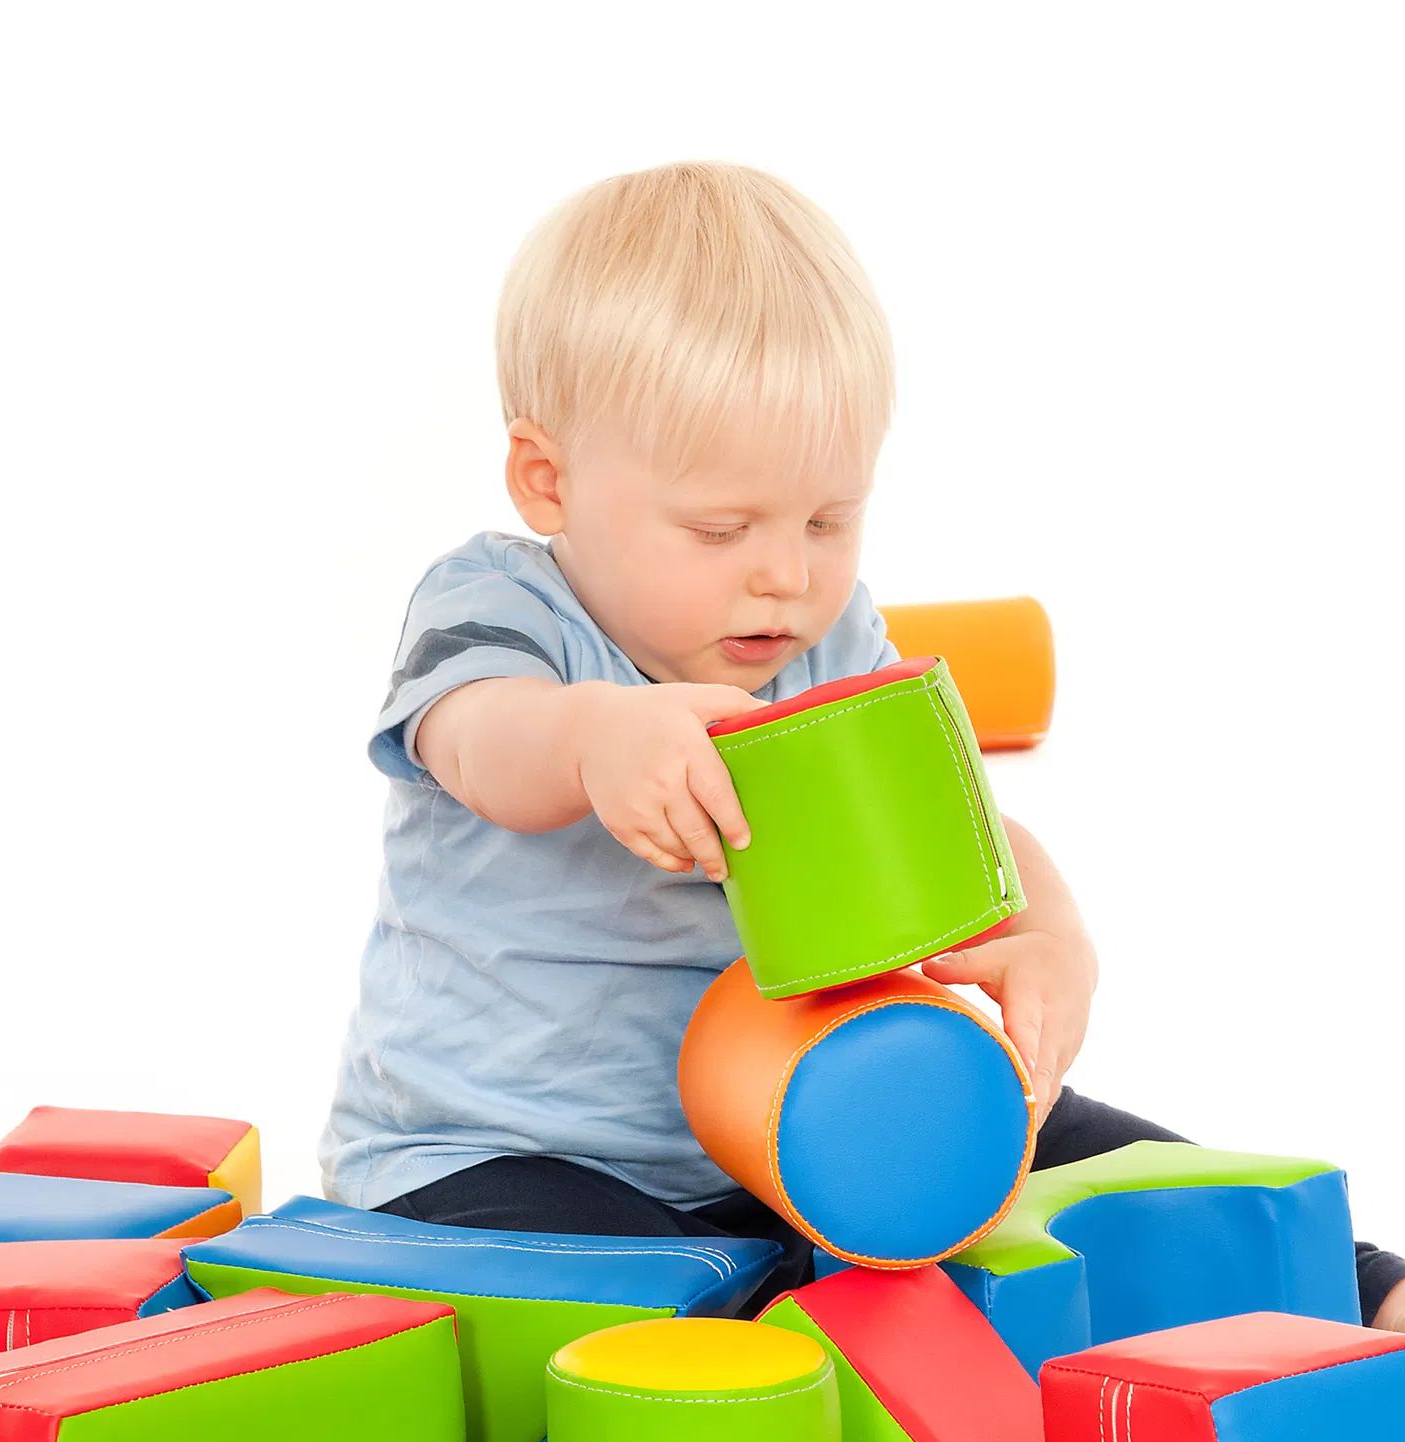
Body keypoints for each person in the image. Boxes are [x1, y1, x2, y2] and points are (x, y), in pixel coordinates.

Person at [318, 160, 1405, 1328]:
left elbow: (948, 826)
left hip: (793, 1135)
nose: (786, 574)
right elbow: (479, 740)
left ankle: (1356, 1287)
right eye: (720, 528)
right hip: (494, 1158)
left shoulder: (827, 642)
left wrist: (1047, 933)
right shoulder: (501, 611)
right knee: (721, 1328)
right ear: (549, 482)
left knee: (1078, 1161)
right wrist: (593, 737)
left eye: (829, 518)